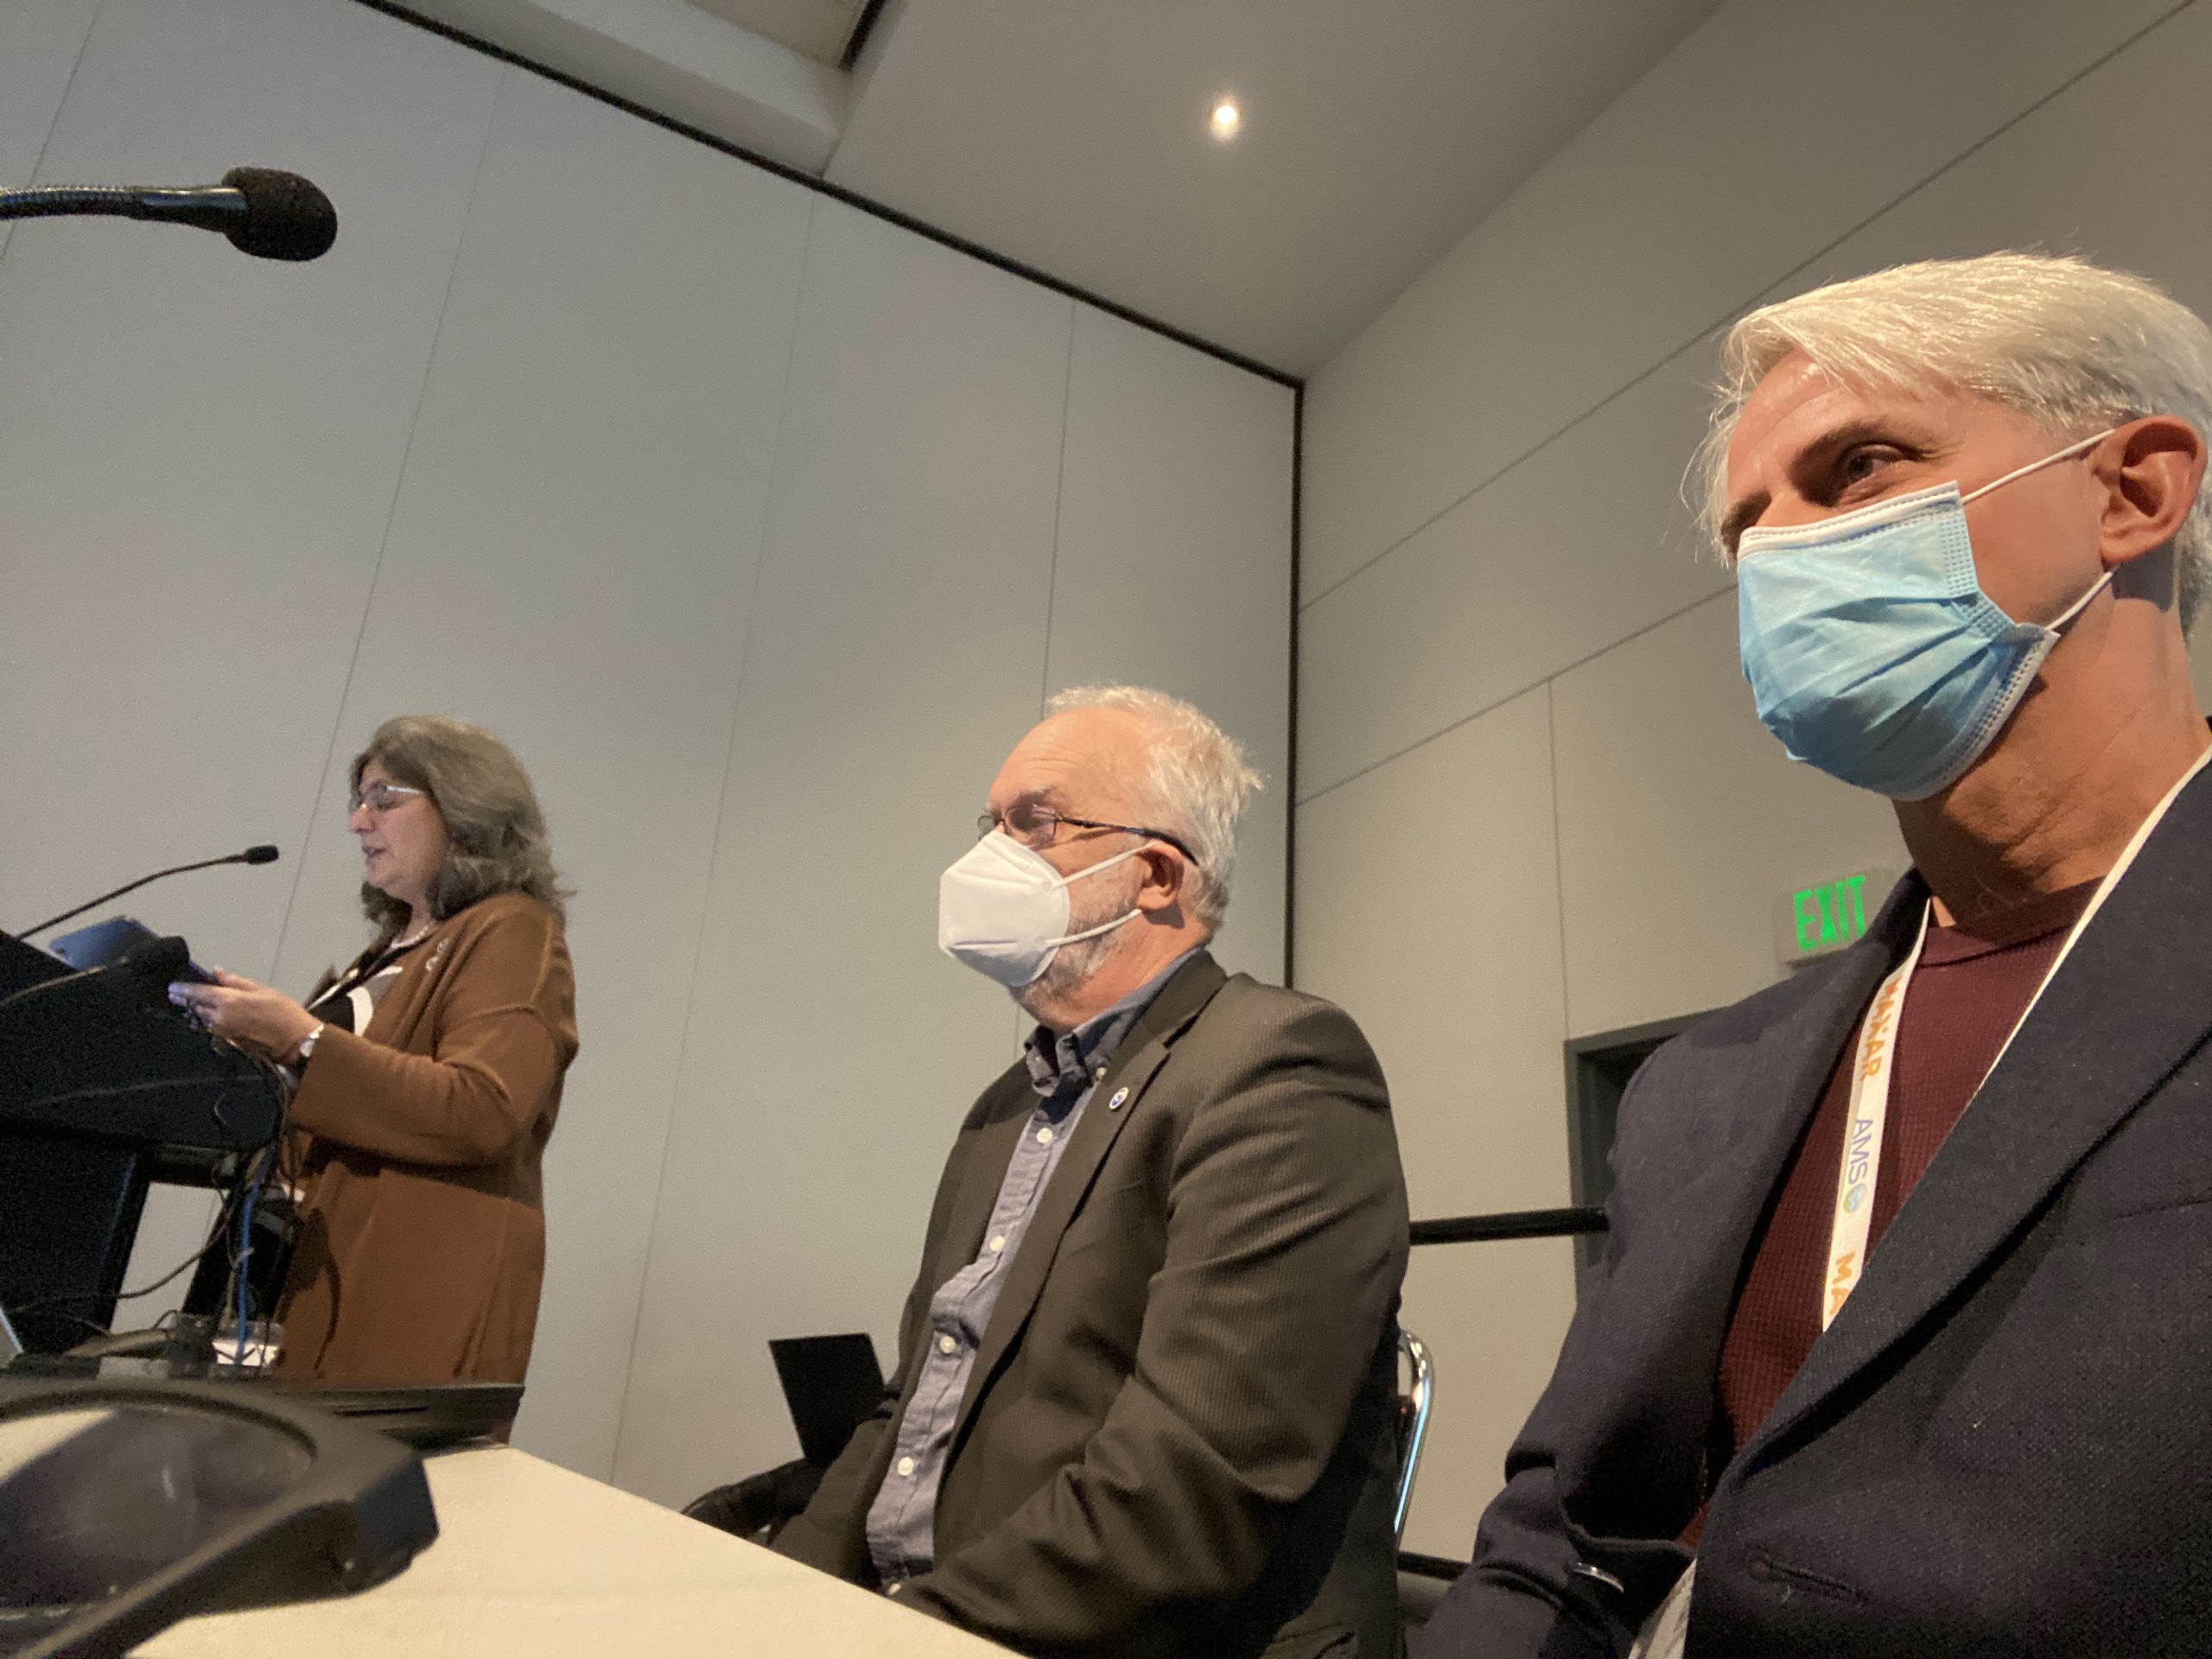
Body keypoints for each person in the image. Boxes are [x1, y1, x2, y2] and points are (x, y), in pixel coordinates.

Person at [1418, 252, 2212, 1658]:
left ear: (2133, 490)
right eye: (1747, 531)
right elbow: (1562, 1551)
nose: (1779, 553)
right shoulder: (1703, 1092)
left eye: (1856, 469)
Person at [773, 685, 1411, 1657]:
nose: (985, 855)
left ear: (1155, 873)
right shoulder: (1003, 1107)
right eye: (987, 823)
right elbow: (907, 1409)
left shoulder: (1277, 1064)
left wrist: (898, 1637)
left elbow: (1192, 1474)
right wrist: (773, 1603)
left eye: (1033, 821)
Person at [170, 715, 577, 1384]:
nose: (360, 822)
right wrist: (253, 1041)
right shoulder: (384, 955)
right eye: (358, 803)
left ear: (465, 806)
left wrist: (300, 1037)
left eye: (384, 799)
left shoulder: (513, 931)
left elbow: (482, 1108)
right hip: (305, 1280)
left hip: (413, 1290)